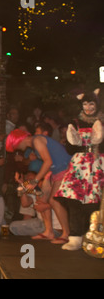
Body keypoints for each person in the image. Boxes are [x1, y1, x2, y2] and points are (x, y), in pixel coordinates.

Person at [54, 88, 104, 250]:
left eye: (91, 104)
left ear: (96, 105)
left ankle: (93, 236)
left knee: (94, 203)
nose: (88, 107)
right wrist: (73, 140)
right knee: (74, 201)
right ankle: (75, 236)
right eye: (85, 104)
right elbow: (70, 149)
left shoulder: (103, 121)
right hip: (79, 166)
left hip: (97, 165)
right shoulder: (75, 122)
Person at [6, 128, 71, 244]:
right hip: (54, 171)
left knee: (54, 201)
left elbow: (48, 162)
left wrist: (35, 181)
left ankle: (66, 234)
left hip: (64, 168)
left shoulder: (37, 141)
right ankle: (48, 231)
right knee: (41, 197)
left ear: (18, 140)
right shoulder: (34, 146)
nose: (16, 149)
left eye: (14, 146)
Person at [9, 171, 62, 238]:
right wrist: (21, 184)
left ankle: (49, 233)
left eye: (31, 179)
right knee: (13, 226)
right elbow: (25, 204)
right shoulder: (35, 193)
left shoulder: (52, 189)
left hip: (55, 228)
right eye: (27, 179)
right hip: (40, 223)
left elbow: (63, 204)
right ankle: (43, 233)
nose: (29, 180)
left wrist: (47, 206)